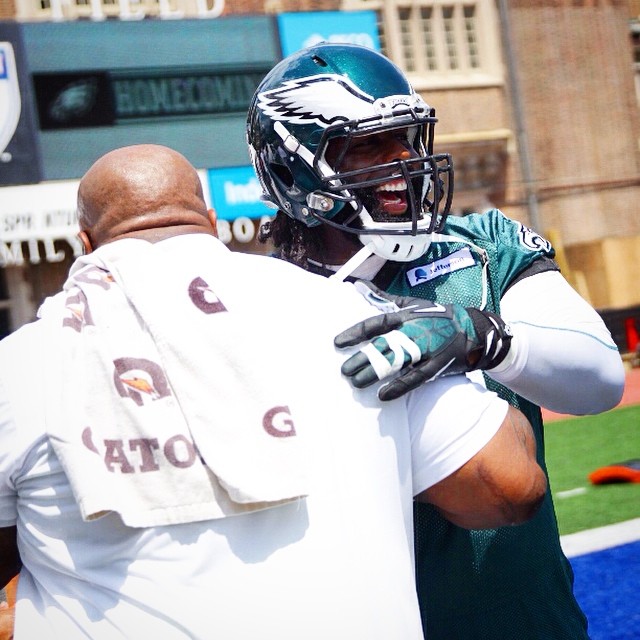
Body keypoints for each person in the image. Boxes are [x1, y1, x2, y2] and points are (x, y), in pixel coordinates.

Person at [0, 144, 546, 639]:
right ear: (210, 224)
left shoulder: (21, 366)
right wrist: (474, 344)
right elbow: (509, 486)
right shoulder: (349, 314)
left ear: (86, 244)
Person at [247, 42, 626, 639]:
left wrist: (484, 336)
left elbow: (601, 380)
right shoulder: (259, 300)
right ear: (295, 166)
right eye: (369, 143)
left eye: (408, 138)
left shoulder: (479, 246)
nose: (403, 161)